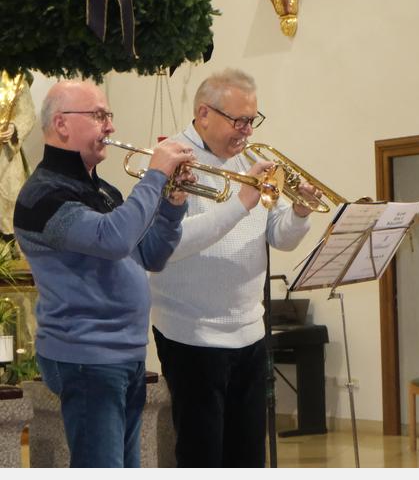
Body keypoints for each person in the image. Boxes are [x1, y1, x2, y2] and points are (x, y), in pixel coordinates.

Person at [12, 80, 194, 467]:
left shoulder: (104, 190)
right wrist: (155, 176)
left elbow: (150, 253)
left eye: (108, 115)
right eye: (98, 116)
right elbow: (112, 239)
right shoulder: (43, 195)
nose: (110, 127)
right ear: (61, 124)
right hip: (86, 356)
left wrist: (173, 204)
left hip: (123, 353)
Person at [149, 68, 316, 467]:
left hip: (249, 331)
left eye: (251, 120)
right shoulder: (170, 159)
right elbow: (169, 246)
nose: (246, 132)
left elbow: (279, 237)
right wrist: (240, 202)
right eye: (238, 121)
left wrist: (299, 212)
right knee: (203, 455)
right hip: (192, 334)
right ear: (204, 114)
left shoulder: (253, 160)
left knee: (247, 456)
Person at [0, 71, 37, 248]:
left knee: (10, 198)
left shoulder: (15, 76)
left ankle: (10, 252)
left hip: (6, 153)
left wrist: (15, 128)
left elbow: (27, 112)